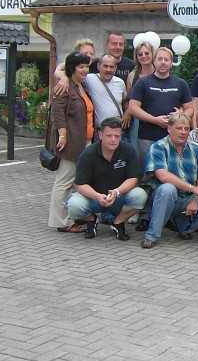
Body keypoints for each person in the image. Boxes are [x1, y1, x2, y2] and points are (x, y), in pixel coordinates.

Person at [141, 112, 198, 249]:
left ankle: (183, 228)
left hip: (187, 198)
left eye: (186, 129)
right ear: (169, 128)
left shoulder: (196, 148)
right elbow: (163, 176)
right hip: (163, 198)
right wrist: (193, 188)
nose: (183, 132)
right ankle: (151, 236)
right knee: (168, 189)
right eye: (179, 128)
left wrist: (196, 197)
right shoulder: (158, 146)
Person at [66, 117, 146, 240]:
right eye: (109, 136)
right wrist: (97, 196)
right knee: (74, 205)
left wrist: (117, 192)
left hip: (118, 197)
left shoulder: (128, 150)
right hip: (94, 198)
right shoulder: (88, 153)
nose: (113, 140)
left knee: (140, 195)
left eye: (117, 136)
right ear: (100, 135)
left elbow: (133, 178)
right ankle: (92, 219)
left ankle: (118, 222)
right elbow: (79, 184)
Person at [48, 51, 94, 233]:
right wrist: (63, 135)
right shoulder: (65, 86)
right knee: (64, 182)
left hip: (85, 141)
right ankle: (61, 222)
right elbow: (58, 112)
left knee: (77, 181)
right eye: (80, 66)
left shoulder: (81, 86)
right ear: (72, 68)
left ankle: (73, 217)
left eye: (86, 66)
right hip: (71, 143)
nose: (84, 70)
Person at [128, 46, 194, 162]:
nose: (163, 62)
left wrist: (181, 115)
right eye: (160, 59)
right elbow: (133, 108)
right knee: (149, 172)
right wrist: (155, 120)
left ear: (171, 62)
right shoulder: (143, 82)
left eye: (166, 59)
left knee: (173, 171)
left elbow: (190, 108)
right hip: (147, 138)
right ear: (154, 61)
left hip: (173, 138)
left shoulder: (180, 83)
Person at [124, 35, 158, 153]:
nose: (144, 56)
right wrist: (128, 112)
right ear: (136, 57)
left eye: (146, 53)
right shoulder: (132, 76)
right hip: (137, 120)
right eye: (140, 54)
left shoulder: (160, 72)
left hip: (158, 116)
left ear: (152, 54)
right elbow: (129, 98)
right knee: (138, 151)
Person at [84, 54, 127, 130]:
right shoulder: (89, 79)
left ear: (115, 68)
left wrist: (127, 114)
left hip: (117, 129)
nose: (108, 70)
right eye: (105, 66)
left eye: (111, 67)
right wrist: (64, 78)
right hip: (100, 130)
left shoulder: (120, 83)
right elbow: (70, 71)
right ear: (98, 66)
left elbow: (125, 103)